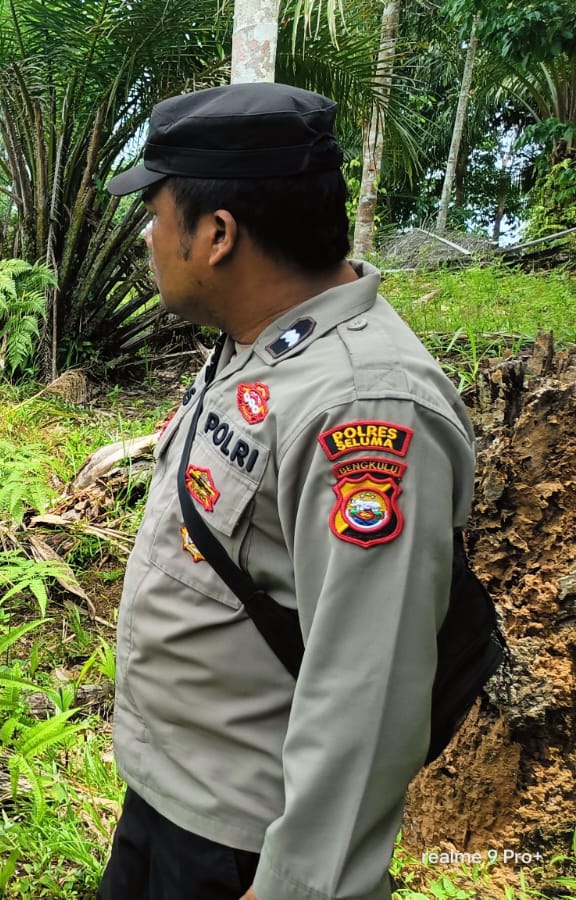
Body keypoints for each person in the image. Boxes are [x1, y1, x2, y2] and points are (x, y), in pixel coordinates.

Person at [96, 82, 477, 900]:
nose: (150, 238)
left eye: (157, 214)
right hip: (172, 802)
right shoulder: (261, 346)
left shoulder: (365, 407)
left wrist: (298, 885)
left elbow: (365, 694)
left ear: (218, 235)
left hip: (239, 847)